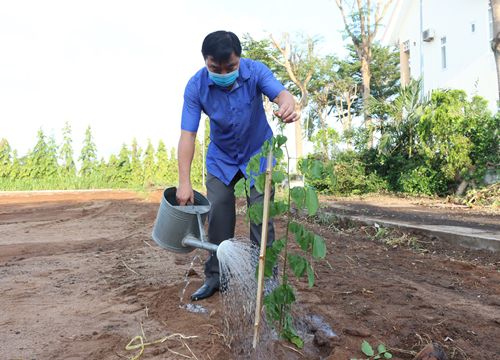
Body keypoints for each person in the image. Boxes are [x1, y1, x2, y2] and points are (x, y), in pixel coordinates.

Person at [176, 30, 297, 301]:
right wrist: (185, 181)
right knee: (218, 209)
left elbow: (282, 95)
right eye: (214, 68)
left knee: (260, 211)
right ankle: (216, 277)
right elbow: (188, 135)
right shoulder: (196, 86)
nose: (223, 73)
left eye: (229, 67)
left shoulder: (255, 71)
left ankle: (265, 278)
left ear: (239, 59)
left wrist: (288, 104)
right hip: (222, 157)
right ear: (205, 62)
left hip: (259, 152)